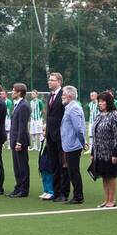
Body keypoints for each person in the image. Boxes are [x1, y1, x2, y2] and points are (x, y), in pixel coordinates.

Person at [90, 91, 117, 207]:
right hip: (99, 152)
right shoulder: (99, 115)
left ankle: (112, 200)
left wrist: (115, 153)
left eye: (103, 101)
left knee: (111, 176)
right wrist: (93, 151)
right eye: (99, 101)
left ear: (109, 102)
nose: (100, 103)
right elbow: (95, 134)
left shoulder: (115, 115)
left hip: (110, 152)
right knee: (104, 176)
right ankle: (106, 199)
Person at [60, 85, 86, 205]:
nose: (62, 97)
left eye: (64, 94)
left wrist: (82, 142)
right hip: (69, 144)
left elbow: (78, 128)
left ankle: (78, 196)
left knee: (74, 171)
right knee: (72, 171)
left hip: (73, 145)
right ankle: (77, 195)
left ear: (69, 96)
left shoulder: (74, 108)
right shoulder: (69, 107)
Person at [44, 73, 68, 202]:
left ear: (59, 82)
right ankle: (56, 191)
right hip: (50, 136)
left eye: (52, 80)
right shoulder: (50, 96)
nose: (49, 82)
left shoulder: (63, 95)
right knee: (54, 165)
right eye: (49, 80)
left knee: (62, 165)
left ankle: (64, 193)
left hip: (61, 136)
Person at [9, 83, 31, 198]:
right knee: (16, 166)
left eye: (14, 90)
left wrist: (19, 142)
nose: (12, 92)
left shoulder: (24, 106)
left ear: (19, 92)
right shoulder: (17, 105)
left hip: (20, 141)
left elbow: (22, 126)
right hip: (14, 140)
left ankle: (24, 189)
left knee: (22, 166)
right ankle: (18, 187)